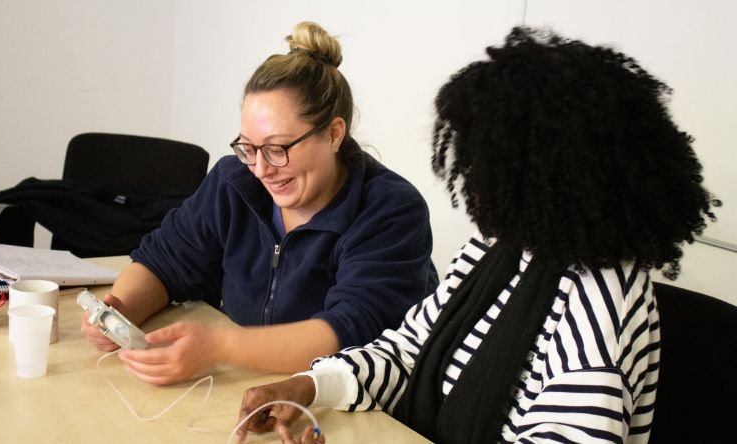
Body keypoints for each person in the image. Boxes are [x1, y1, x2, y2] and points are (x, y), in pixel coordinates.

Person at [237, 27, 718, 444]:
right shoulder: (497, 247)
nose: (470, 181)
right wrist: (310, 386)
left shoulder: (604, 300)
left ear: (556, 176)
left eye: (487, 166)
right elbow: (409, 349)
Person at [81, 21, 438, 385]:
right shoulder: (233, 182)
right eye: (249, 148)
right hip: (244, 385)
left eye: (278, 148)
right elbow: (166, 260)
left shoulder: (389, 210)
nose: (261, 169)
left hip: (341, 402)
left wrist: (219, 347)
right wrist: (118, 312)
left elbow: (350, 332)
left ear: (333, 134)